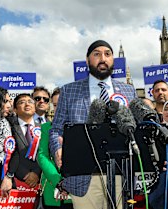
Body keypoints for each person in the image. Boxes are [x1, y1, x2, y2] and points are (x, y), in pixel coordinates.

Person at [50, 40, 137, 209]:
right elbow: (56, 129)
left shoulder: (128, 91)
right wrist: (57, 149)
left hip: (121, 174)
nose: (102, 58)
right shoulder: (69, 91)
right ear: (87, 60)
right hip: (83, 177)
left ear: (113, 60)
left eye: (107, 54)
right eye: (96, 54)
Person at [37, 88, 72, 209]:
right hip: (53, 189)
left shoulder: (83, 128)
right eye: (56, 105)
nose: (59, 109)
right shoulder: (46, 127)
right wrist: (59, 181)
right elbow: (42, 156)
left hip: (76, 192)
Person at [9, 93, 42, 188]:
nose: (27, 104)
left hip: (40, 181)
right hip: (16, 182)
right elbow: (8, 154)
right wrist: (24, 174)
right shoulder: (8, 127)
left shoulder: (44, 128)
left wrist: (36, 173)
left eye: (30, 102)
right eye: (22, 102)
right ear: (15, 109)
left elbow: (45, 154)